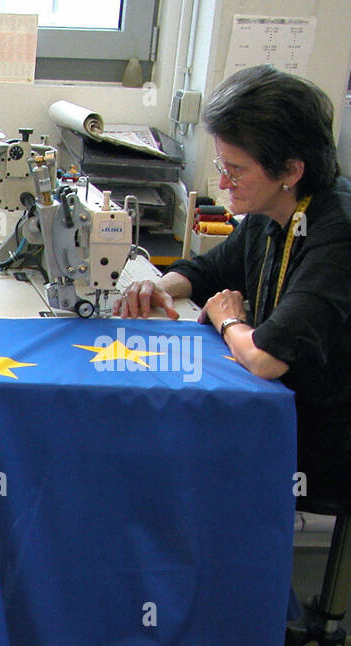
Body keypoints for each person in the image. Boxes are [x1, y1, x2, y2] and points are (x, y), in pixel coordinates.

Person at [114, 65, 351, 500]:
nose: (224, 182)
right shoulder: (272, 212)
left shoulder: (337, 232)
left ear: (291, 171)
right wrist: (161, 288)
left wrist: (228, 320)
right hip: (276, 412)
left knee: (146, 452)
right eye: (224, 165)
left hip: (322, 442)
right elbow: (207, 272)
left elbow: (265, 358)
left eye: (236, 170)